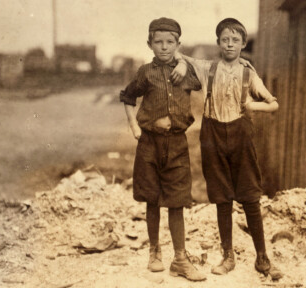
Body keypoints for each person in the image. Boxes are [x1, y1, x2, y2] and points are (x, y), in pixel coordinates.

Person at [172, 18, 283, 280]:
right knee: (222, 197)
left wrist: (252, 106)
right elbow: (181, 55)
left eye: (235, 40)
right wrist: (178, 61)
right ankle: (228, 255)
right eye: (225, 39)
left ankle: (262, 257)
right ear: (218, 42)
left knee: (250, 196)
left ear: (244, 43)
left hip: (240, 135)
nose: (230, 44)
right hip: (212, 135)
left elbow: (273, 104)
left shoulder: (248, 72)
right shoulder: (207, 68)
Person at [119, 17, 206, 282]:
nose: (164, 47)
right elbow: (127, 96)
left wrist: (182, 62)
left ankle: (180, 259)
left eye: (170, 42)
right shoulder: (145, 72)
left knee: (177, 202)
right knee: (153, 199)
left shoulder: (186, 72)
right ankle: (154, 252)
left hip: (177, 144)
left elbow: (200, 81)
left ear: (178, 44)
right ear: (150, 44)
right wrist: (134, 126)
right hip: (149, 144)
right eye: (158, 42)